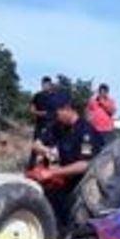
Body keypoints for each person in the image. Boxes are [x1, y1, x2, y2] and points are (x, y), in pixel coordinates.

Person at [32, 95, 105, 225]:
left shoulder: (85, 131)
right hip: (61, 184)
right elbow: (36, 144)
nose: (55, 117)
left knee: (72, 222)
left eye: (56, 113)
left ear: (67, 109)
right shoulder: (57, 127)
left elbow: (84, 164)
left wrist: (52, 173)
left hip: (83, 188)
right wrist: (46, 151)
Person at [27, 76, 62, 168]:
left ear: (50, 85)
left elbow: (58, 111)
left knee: (50, 146)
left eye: (47, 84)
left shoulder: (55, 97)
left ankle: (48, 166)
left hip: (52, 125)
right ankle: (31, 166)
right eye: (43, 84)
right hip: (40, 124)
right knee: (36, 145)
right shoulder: (38, 96)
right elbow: (31, 109)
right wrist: (39, 113)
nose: (44, 86)